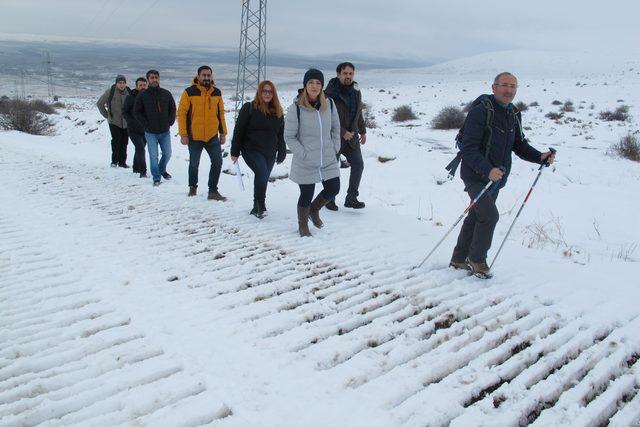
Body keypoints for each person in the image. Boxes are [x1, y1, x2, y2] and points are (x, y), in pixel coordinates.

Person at [449, 72, 556, 278]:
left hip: (497, 178)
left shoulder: (513, 113)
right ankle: (477, 259)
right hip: (474, 174)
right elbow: (469, 149)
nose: (509, 90)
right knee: (489, 216)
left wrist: (539, 156)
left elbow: (519, 145)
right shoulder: (481, 112)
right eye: (504, 85)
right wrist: (487, 169)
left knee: (477, 216)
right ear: (494, 87)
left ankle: (459, 258)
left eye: (513, 86)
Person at [284, 69, 341, 237]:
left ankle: (314, 210)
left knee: (333, 189)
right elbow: (289, 136)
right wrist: (303, 153)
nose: (314, 86)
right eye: (311, 82)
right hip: (306, 160)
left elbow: (336, 128)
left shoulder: (329, 104)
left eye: (318, 83)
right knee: (306, 194)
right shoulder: (296, 108)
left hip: (328, 158)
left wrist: (335, 148)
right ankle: (303, 226)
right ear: (305, 85)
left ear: (322, 86)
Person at [230, 81, 287, 218]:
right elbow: (239, 130)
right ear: (259, 92)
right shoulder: (249, 108)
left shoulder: (278, 111)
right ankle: (261, 205)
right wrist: (235, 151)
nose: (267, 94)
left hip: (270, 152)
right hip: (251, 150)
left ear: (273, 94)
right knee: (261, 173)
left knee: (263, 177)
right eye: (264, 91)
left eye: (270, 92)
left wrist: (282, 151)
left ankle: (256, 206)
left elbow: (280, 134)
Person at [177, 66, 228, 200]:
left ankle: (213, 191)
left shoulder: (217, 92)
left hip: (212, 136)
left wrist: (223, 133)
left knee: (217, 162)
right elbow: (181, 114)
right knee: (194, 163)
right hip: (194, 136)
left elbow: (220, 114)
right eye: (204, 75)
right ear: (198, 76)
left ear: (211, 76)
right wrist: (183, 134)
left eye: (208, 75)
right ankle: (193, 188)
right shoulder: (189, 92)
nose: (206, 77)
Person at [324, 62, 367, 210]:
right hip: (334, 138)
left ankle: (351, 198)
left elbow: (358, 113)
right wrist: (343, 132)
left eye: (351, 73)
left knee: (358, 165)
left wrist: (363, 130)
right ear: (338, 74)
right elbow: (326, 118)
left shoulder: (356, 90)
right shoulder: (329, 93)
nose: (348, 76)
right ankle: (329, 199)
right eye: (345, 73)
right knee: (332, 168)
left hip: (353, 138)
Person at [133, 69, 176, 186]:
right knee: (153, 156)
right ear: (148, 80)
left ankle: (162, 169)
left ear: (159, 78)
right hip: (150, 132)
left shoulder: (166, 93)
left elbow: (172, 108)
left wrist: (170, 121)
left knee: (167, 153)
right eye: (152, 78)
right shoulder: (143, 95)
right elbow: (137, 112)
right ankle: (156, 177)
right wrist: (146, 124)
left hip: (165, 131)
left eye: (156, 77)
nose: (154, 79)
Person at [97, 74, 131, 168]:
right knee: (116, 141)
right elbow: (100, 103)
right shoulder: (110, 92)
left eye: (123, 83)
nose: (122, 85)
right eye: (120, 83)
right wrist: (107, 115)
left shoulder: (129, 92)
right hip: (114, 122)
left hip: (126, 122)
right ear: (116, 83)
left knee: (124, 142)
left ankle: (122, 162)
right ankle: (114, 161)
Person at [122, 77, 148, 178]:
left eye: (144, 85)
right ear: (136, 86)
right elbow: (125, 112)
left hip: (146, 129)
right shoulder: (130, 97)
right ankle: (143, 171)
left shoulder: (149, 97)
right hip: (133, 129)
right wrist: (131, 122)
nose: (142, 87)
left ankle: (136, 167)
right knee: (140, 148)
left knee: (140, 148)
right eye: (140, 85)